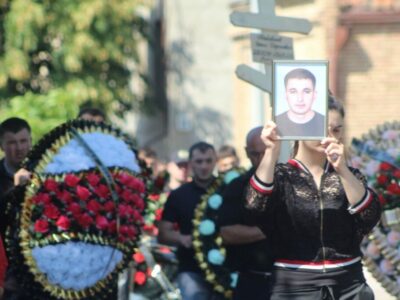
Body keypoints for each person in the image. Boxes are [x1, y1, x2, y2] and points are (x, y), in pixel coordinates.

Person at [245, 96, 381, 299]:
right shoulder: (281, 176)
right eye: (321, 128)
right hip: (294, 286)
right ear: (300, 128)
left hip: (349, 284)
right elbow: (254, 206)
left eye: (336, 130)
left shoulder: (349, 175)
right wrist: (272, 151)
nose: (329, 137)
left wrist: (342, 169)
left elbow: (370, 218)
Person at [158, 141, 221, 300]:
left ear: (216, 162)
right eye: (199, 161)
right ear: (191, 163)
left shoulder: (227, 190)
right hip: (191, 268)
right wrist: (181, 238)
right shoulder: (179, 195)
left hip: (224, 267)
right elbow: (163, 233)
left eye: (208, 161)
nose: (204, 166)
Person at [219, 127, 274, 300]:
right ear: (246, 153)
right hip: (252, 280)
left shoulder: (290, 182)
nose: (260, 159)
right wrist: (269, 229)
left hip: (288, 280)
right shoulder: (237, 186)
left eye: (265, 153)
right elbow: (227, 233)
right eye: (254, 154)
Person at [275, 68, 325, 138]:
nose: (300, 99)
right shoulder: (275, 124)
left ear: (314, 95)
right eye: (293, 92)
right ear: (285, 95)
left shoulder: (325, 123)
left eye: (306, 91)